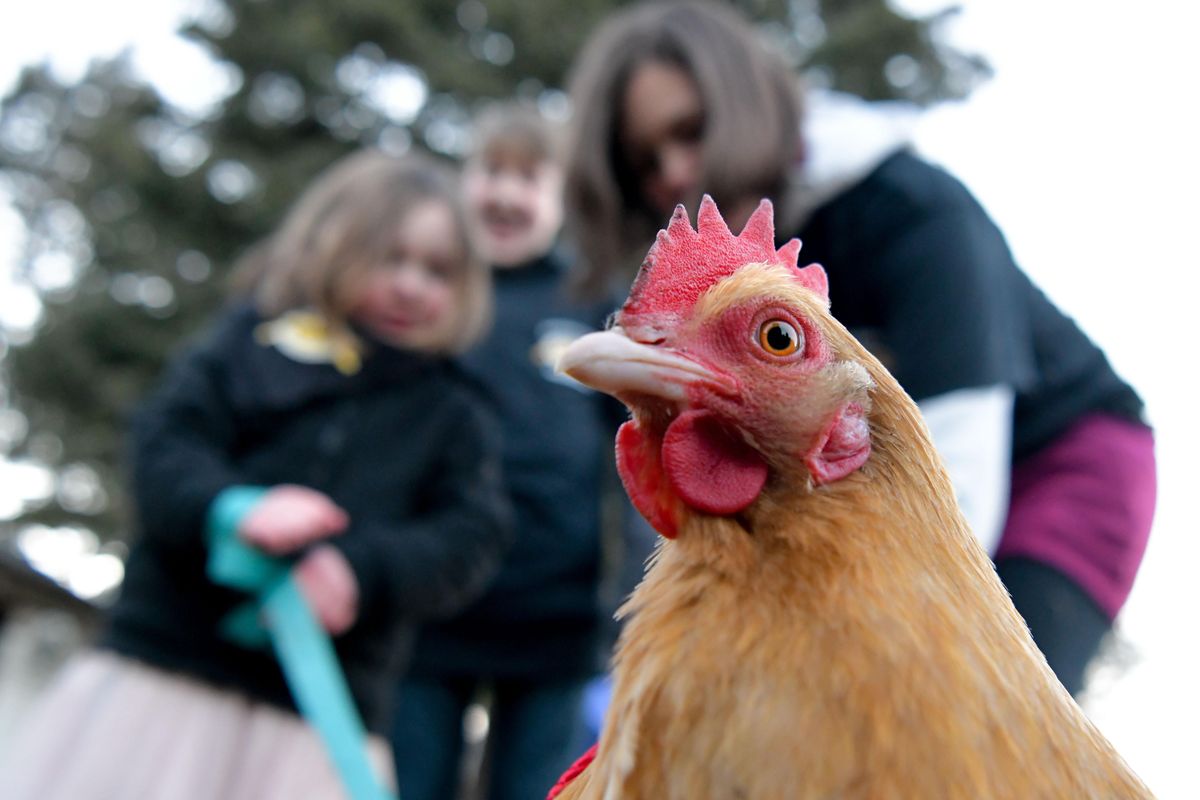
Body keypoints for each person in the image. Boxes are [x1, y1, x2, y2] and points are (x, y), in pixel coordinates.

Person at [562, 0, 1155, 696]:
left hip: (1054, 461)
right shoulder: (691, 280)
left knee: (983, 708)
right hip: (868, 484)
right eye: (643, 164)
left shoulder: (913, 210)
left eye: (689, 132)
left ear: (745, 104)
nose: (670, 172)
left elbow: (958, 471)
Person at [0, 149, 513, 800]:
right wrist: (231, 508)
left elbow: (471, 534)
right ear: (332, 244)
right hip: (166, 674)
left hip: (316, 719)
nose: (411, 285)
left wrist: (360, 569)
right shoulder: (248, 342)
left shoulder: (455, 412)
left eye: (437, 271)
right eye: (390, 258)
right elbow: (165, 442)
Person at [390, 102, 643, 800]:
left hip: (556, 627)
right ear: (462, 182)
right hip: (424, 617)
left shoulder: (593, 303)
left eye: (528, 177)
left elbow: (640, 454)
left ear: (560, 198)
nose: (505, 193)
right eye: (491, 171)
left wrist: (634, 597)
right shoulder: (426, 296)